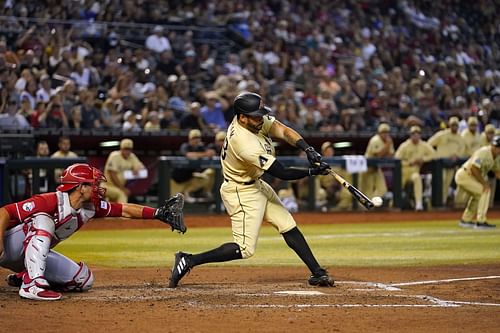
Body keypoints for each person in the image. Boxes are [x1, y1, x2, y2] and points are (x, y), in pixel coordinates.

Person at [168, 92, 333, 288]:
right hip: (240, 191)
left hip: (256, 183)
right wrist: (312, 171)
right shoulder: (244, 142)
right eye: (255, 115)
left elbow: (282, 129)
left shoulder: (252, 120)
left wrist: (308, 149)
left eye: (260, 114)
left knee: (287, 224)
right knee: (244, 249)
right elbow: (282, 173)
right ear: (242, 117)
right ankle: (188, 260)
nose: (260, 119)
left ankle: (318, 273)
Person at [0, 163, 186, 301]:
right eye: (93, 183)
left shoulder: (89, 208)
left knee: (83, 279)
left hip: (28, 256)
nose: (97, 187)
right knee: (44, 220)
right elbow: (4, 212)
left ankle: (24, 276)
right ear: (80, 187)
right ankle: (33, 285)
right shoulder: (49, 200)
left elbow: (123, 209)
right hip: (9, 248)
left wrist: (157, 213)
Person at [455, 136, 500, 229]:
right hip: (464, 175)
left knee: (478, 195)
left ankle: (465, 220)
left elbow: (497, 172)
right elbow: (474, 168)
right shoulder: (484, 152)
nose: (497, 149)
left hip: (470, 177)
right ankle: (481, 221)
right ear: (492, 145)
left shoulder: (496, 157)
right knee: (485, 190)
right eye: (496, 146)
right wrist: (484, 183)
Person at [427, 117, 467, 206]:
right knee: (441, 181)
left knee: (447, 183)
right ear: (449, 125)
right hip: (441, 163)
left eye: (456, 125)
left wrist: (457, 155)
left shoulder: (460, 137)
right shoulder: (442, 134)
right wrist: (435, 155)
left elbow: (462, 150)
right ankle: (436, 201)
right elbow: (429, 144)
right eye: (453, 125)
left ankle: (443, 202)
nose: (454, 127)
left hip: (452, 163)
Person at [394, 126, 436, 211]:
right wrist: (408, 162)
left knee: (417, 178)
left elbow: (434, 155)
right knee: (398, 184)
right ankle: (395, 204)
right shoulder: (405, 145)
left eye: (417, 134)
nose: (416, 136)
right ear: (410, 135)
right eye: (413, 134)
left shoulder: (423, 145)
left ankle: (419, 204)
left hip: (414, 171)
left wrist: (423, 159)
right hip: (403, 171)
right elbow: (396, 160)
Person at [170, 129, 216, 203]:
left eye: (198, 138)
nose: (196, 140)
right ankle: (184, 194)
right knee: (172, 201)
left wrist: (209, 152)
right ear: (190, 139)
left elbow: (211, 153)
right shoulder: (185, 146)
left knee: (204, 178)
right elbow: (189, 155)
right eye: (194, 138)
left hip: (189, 177)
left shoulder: (201, 147)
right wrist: (204, 154)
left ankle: (186, 193)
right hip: (177, 180)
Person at [103, 138, 146, 203]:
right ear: (121, 149)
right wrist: (122, 188)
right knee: (122, 194)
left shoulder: (131, 156)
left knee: (112, 205)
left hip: (117, 188)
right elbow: (112, 174)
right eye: (126, 149)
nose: (127, 151)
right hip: (107, 186)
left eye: (129, 149)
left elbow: (142, 167)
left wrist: (138, 168)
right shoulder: (114, 156)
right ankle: (122, 213)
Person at [360, 123, 394, 203]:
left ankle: (373, 204)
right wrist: (387, 146)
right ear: (379, 133)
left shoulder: (389, 141)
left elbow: (391, 155)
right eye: (383, 132)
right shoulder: (375, 140)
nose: (385, 134)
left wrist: (387, 147)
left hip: (377, 168)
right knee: (368, 190)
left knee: (382, 190)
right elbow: (378, 155)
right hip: (367, 168)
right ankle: (365, 209)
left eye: (387, 132)